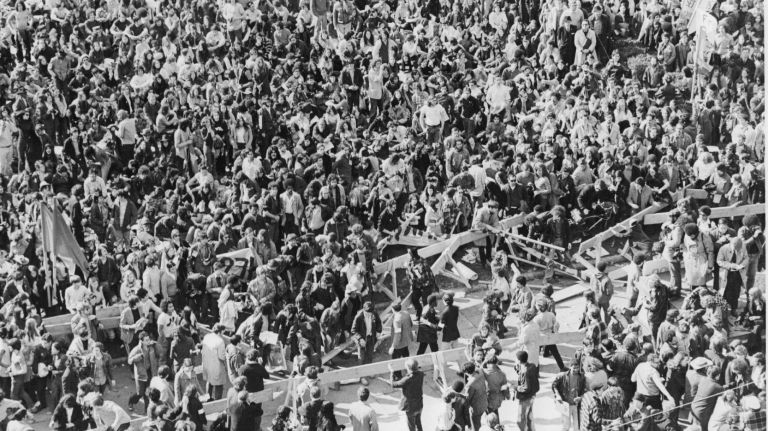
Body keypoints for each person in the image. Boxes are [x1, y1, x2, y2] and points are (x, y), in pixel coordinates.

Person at [390, 358, 424, 431]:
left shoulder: (407, 379)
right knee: (418, 423)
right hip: (419, 404)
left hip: (410, 407)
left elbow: (393, 384)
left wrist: (392, 372)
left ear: (408, 368)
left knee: (411, 426)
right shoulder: (421, 374)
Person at [552, 358, 586, 431]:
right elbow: (554, 386)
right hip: (566, 405)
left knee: (577, 426)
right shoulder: (562, 376)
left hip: (576, 405)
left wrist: (580, 397)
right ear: (570, 367)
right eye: (574, 368)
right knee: (566, 426)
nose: (576, 370)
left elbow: (584, 390)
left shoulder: (582, 377)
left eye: (577, 368)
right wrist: (558, 395)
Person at [200, 323, 227, 400]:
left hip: (206, 364)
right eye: (223, 332)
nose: (223, 334)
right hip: (216, 366)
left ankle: (208, 399)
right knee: (219, 385)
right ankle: (217, 401)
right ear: (220, 331)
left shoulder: (207, 336)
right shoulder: (220, 341)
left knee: (209, 381)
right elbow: (221, 357)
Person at [514, 350, 539, 431]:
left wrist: (517, 388)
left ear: (519, 360)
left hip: (525, 398)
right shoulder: (532, 366)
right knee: (529, 417)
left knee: (520, 420)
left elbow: (526, 388)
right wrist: (518, 370)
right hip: (533, 395)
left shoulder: (525, 372)